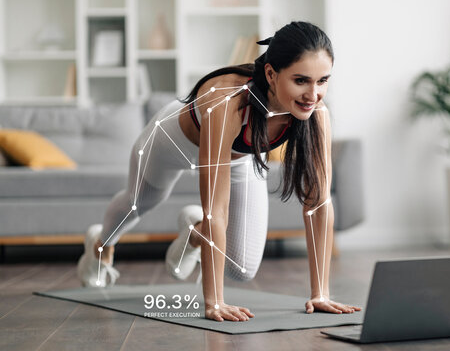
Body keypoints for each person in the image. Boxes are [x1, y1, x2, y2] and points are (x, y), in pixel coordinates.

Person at [77, 21, 361, 322]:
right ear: (271, 74)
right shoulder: (227, 102)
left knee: (242, 268)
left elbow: (318, 205)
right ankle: (100, 245)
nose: (313, 94)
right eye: (301, 80)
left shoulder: (316, 113)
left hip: (239, 158)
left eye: (322, 81)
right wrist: (214, 302)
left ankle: (193, 233)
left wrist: (320, 294)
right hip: (172, 142)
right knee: (141, 201)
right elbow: (215, 208)